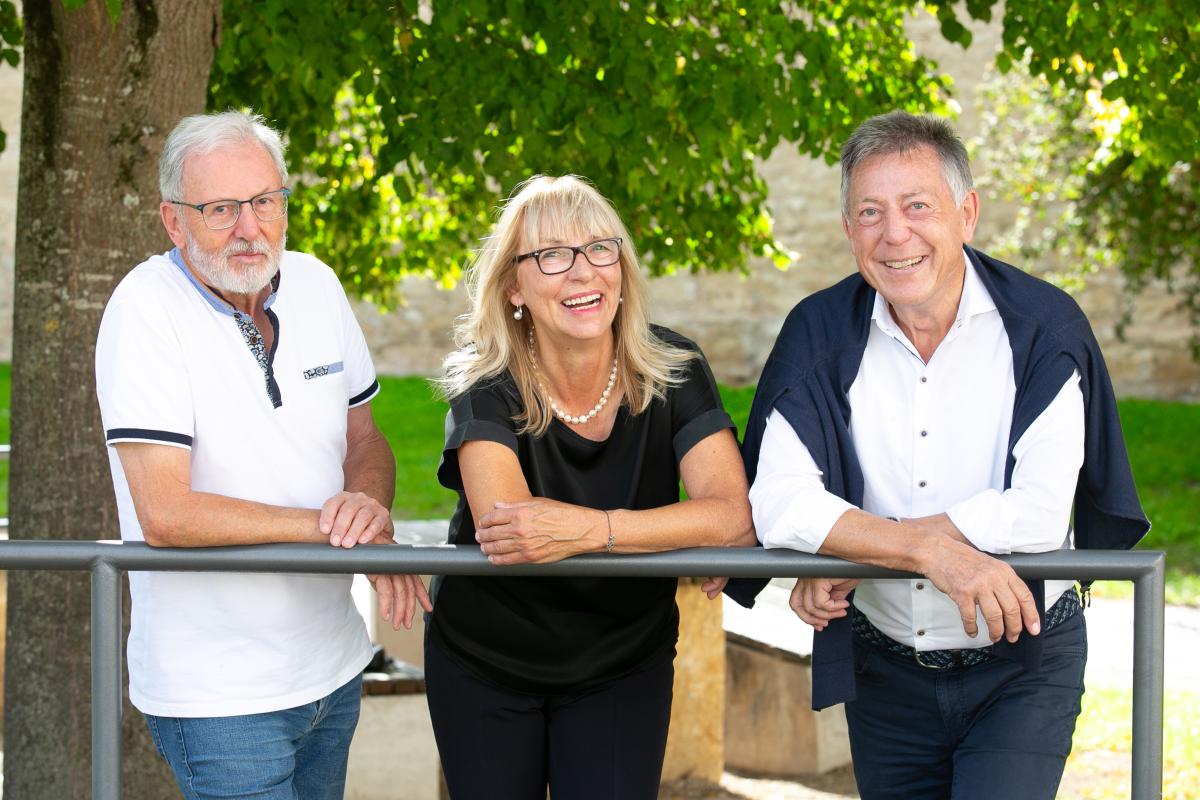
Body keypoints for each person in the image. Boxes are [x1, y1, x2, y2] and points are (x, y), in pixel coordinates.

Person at [741, 111, 1149, 799]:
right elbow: (779, 501)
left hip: (1024, 663)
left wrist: (855, 548)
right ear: (848, 231)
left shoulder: (1045, 329)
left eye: (917, 206)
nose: (894, 233)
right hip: (884, 673)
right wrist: (930, 554)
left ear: (967, 213)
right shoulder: (815, 333)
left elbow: (1041, 516)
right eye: (869, 212)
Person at [94, 110, 430, 800]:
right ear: (173, 220)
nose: (250, 228)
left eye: (266, 202)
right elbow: (166, 514)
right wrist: (333, 529)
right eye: (220, 209)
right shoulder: (144, 309)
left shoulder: (318, 285)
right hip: (217, 692)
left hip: (333, 667)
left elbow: (365, 441)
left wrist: (369, 506)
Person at [427, 174, 754, 799]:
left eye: (600, 249)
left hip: (623, 659)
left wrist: (592, 528)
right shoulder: (485, 379)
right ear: (513, 287)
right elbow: (513, 527)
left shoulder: (674, 367)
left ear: (623, 271)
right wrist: (665, 531)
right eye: (551, 255)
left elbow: (732, 515)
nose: (582, 272)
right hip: (486, 662)